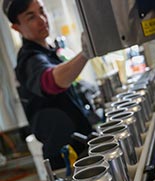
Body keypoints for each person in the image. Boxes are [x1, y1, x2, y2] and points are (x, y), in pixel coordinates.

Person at [2, 0, 95, 170]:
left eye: (42, 12)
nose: (42, 20)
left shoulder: (48, 52)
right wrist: (86, 54)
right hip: (66, 161)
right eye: (31, 17)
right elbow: (51, 82)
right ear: (16, 27)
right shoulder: (29, 60)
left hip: (80, 148)